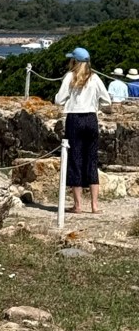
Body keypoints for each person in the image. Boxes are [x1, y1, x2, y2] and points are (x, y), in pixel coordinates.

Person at [54, 46, 110, 214]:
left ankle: (78, 205)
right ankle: (94, 205)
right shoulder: (95, 78)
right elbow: (107, 100)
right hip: (91, 118)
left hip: (75, 119)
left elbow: (59, 100)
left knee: (75, 159)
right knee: (92, 160)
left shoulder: (69, 77)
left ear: (74, 61)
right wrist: (95, 104)